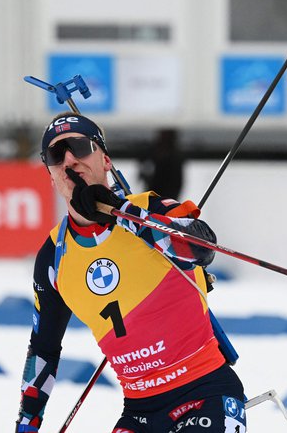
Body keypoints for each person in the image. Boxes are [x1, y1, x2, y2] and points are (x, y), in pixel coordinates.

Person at [14, 112, 246, 432]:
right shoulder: (54, 256)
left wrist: (120, 211)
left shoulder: (149, 208)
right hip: (139, 411)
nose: (69, 159)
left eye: (80, 147)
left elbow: (202, 249)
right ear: (51, 175)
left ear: (105, 160)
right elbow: (43, 349)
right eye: (56, 154)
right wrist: (27, 424)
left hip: (205, 391)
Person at [138, 128, 184, 200]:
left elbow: (176, 182)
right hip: (154, 193)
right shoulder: (152, 151)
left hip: (166, 195)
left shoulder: (175, 157)